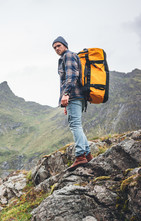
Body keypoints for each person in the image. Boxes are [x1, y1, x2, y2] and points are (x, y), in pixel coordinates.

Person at [52, 36, 93, 171]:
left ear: (64, 45)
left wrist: (66, 94)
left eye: (58, 45)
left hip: (74, 95)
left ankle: (80, 156)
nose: (56, 49)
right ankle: (87, 155)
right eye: (54, 47)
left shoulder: (68, 55)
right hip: (76, 97)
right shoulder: (68, 56)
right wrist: (65, 102)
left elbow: (72, 76)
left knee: (75, 125)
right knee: (76, 125)